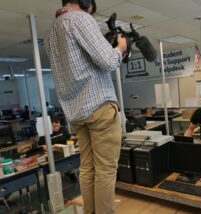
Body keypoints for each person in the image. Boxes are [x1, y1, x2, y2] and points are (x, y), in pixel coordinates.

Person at [45, 0, 127, 213]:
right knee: (106, 170)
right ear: (85, 2)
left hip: (77, 113)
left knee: (88, 168)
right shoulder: (81, 18)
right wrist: (120, 48)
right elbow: (109, 61)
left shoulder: (52, 30)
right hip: (99, 105)